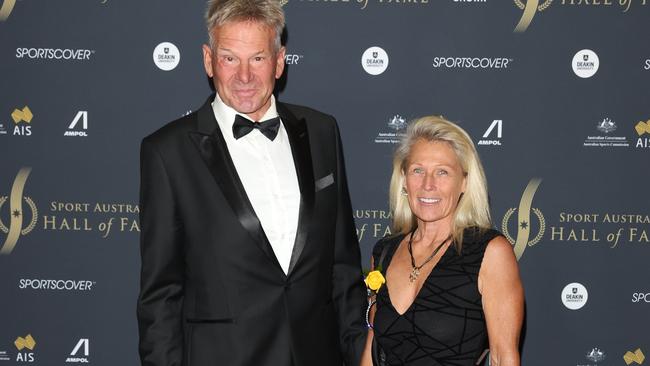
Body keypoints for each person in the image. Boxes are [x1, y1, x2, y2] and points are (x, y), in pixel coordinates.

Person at [136, 1, 367, 365]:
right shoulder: (168, 152)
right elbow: (161, 295)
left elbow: (343, 269)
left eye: (257, 58)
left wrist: (360, 356)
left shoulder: (322, 132)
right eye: (230, 58)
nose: (244, 76)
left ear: (279, 61)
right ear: (208, 60)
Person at [360, 116, 524, 366]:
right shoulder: (384, 252)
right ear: (404, 179)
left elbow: (503, 358)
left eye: (442, 172)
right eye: (418, 170)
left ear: (464, 183)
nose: (428, 185)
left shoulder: (489, 252)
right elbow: (372, 349)